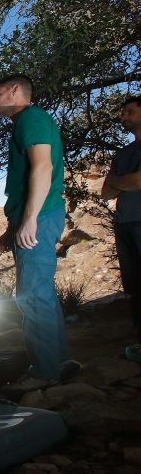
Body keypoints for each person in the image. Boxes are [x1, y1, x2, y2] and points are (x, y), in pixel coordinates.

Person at [0, 74, 79, 390]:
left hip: (40, 217)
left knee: (30, 294)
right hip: (36, 217)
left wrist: (30, 221)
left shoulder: (31, 118)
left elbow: (43, 167)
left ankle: (44, 372)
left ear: (16, 90)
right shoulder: (29, 121)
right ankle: (59, 362)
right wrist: (12, 228)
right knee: (41, 291)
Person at [100, 95, 141, 363]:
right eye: (122, 112)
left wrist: (121, 181)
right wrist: (125, 181)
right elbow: (105, 191)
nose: (123, 116)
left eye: (129, 111)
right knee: (135, 287)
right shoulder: (123, 153)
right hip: (124, 222)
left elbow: (137, 181)